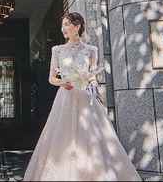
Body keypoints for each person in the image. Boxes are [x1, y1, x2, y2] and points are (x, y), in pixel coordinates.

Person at [23, 12, 141, 181]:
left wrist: (93, 84)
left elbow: (92, 76)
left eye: (66, 24)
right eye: (62, 25)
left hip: (85, 97)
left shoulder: (91, 50)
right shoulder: (57, 50)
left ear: (77, 26)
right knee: (63, 136)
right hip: (65, 97)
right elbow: (51, 78)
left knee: (91, 136)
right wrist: (62, 82)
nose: (63, 28)